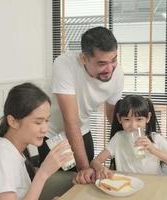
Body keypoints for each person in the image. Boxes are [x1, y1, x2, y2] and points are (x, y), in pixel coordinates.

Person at [38, 26, 124, 184]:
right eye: (102, 63)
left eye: (114, 60)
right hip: (53, 134)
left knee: (87, 184)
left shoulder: (117, 74)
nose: (109, 68)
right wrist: (84, 168)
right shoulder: (64, 65)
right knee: (61, 186)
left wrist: (126, 139)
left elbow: (113, 116)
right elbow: (70, 121)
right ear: (84, 58)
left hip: (83, 130)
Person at [0, 83, 73, 200]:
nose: (45, 129)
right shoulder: (1, 157)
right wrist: (43, 173)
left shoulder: (15, 150)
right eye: (38, 122)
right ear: (13, 121)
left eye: (47, 120)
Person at [90, 95, 167, 179]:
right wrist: (100, 168)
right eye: (127, 119)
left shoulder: (156, 139)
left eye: (139, 119)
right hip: (127, 186)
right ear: (119, 119)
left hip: (151, 188)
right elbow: (95, 162)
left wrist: (154, 150)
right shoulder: (118, 138)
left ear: (148, 118)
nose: (133, 126)